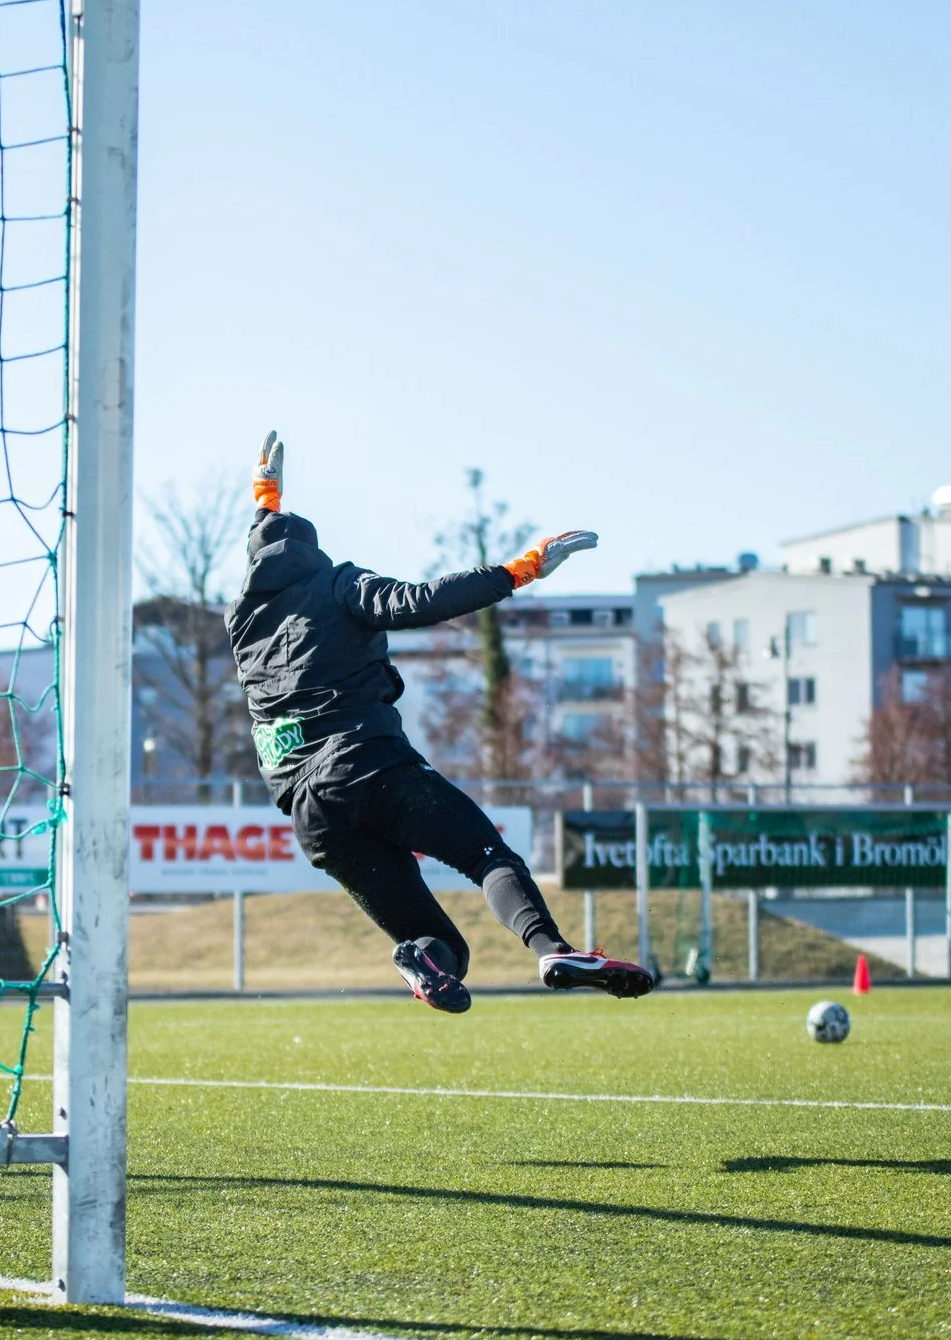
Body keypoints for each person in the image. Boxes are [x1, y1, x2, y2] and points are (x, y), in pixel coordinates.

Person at [225, 432, 655, 1013]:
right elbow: (420, 600)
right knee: (487, 856)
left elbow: (267, 548)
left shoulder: (242, 621)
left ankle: (421, 961)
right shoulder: (337, 584)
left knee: (438, 944)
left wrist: (266, 498)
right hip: (366, 764)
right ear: (314, 552)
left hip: (311, 813)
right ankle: (553, 951)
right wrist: (521, 570)